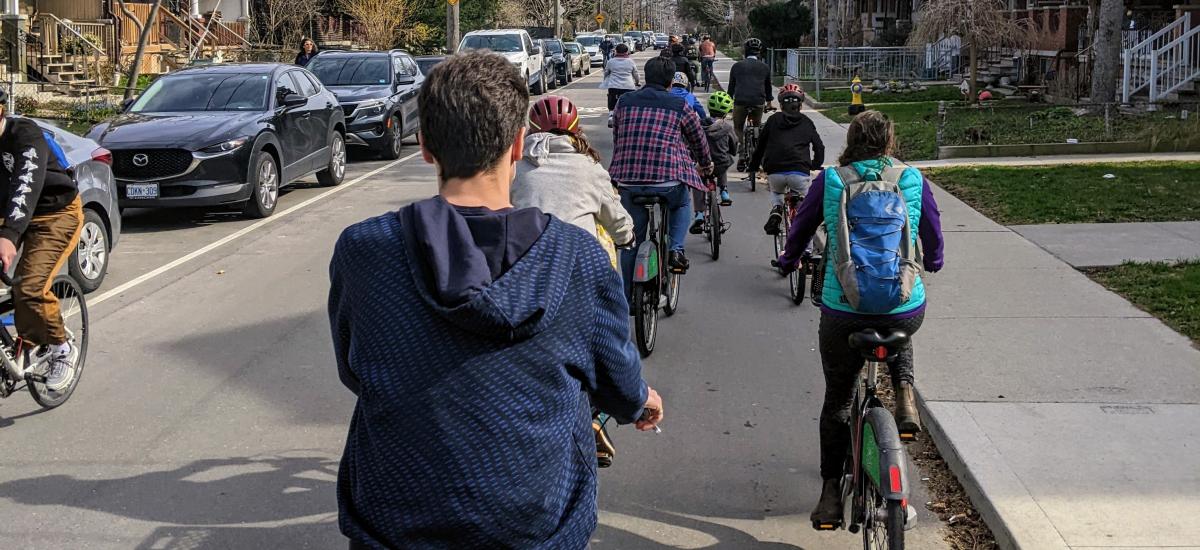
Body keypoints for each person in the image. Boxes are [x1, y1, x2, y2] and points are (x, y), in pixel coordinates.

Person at [328, 51, 664, 549]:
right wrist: (641, 401)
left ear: (424, 146)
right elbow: (616, 381)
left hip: (392, 524)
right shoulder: (578, 258)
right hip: (535, 526)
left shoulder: (365, 249)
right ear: (517, 145)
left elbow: (355, 369)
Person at [775, 110, 944, 531]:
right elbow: (933, 235)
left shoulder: (832, 180)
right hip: (904, 305)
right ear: (890, 140)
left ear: (850, 140)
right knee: (901, 320)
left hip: (843, 311)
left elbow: (799, 232)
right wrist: (934, 262)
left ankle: (830, 492)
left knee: (837, 401)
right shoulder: (911, 178)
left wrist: (788, 259)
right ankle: (904, 392)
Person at [0, 90, 82, 392]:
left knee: (29, 286)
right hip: (8, 217)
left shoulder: (25, 135)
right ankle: (22, 335)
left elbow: (26, 185)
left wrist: (9, 236)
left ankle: (61, 347)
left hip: (55, 213)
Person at [609, 56, 713, 289]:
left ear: (646, 76)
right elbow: (698, 139)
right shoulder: (679, 105)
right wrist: (706, 164)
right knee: (682, 202)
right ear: (670, 81)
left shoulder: (624, 101)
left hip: (628, 180)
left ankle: (626, 298)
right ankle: (676, 249)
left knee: (631, 240)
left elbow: (617, 137)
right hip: (668, 181)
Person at [513, 95, 634, 268]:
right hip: (578, 267)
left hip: (527, 265)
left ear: (531, 130)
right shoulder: (589, 167)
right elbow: (614, 216)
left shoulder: (515, 167)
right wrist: (626, 237)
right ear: (577, 130)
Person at [750, 83, 824, 237]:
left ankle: (777, 209)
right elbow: (819, 147)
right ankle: (807, 251)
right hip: (800, 172)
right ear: (800, 104)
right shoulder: (807, 122)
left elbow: (760, 145)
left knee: (777, 192)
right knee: (805, 217)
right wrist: (815, 164)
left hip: (775, 171)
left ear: (781, 105)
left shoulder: (773, 120)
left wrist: (754, 165)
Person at [690, 91, 737, 233]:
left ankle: (699, 213)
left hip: (702, 164)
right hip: (719, 164)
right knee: (724, 162)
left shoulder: (698, 126)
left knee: (698, 181)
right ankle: (724, 191)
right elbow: (734, 145)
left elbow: (689, 142)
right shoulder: (727, 128)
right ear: (726, 112)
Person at [727, 37, 774, 154]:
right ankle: (756, 149)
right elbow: (768, 87)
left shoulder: (737, 66)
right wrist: (769, 103)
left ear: (745, 51)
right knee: (757, 126)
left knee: (738, 127)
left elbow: (731, 87)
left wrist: (728, 103)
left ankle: (741, 151)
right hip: (758, 101)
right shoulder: (765, 67)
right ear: (759, 52)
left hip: (740, 101)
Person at [601, 43, 640, 112]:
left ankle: (611, 115)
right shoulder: (630, 62)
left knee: (612, 103)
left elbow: (606, 73)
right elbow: (635, 74)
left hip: (614, 86)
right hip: (628, 87)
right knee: (629, 105)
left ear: (616, 51)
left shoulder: (611, 61)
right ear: (627, 51)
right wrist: (637, 82)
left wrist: (605, 81)